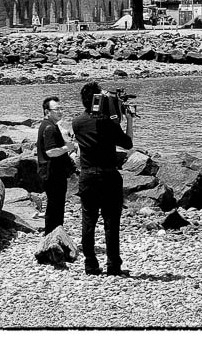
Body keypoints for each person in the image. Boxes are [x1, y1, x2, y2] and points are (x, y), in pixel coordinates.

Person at [70, 82, 133, 276]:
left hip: (87, 176)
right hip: (108, 176)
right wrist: (128, 119)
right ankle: (113, 266)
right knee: (111, 222)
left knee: (88, 221)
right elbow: (127, 144)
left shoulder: (77, 122)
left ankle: (90, 264)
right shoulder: (109, 123)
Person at [36, 96, 78, 234]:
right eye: (56, 109)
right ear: (47, 112)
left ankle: (55, 236)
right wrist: (67, 148)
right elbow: (50, 152)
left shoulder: (49, 125)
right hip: (52, 173)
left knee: (56, 206)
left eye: (61, 109)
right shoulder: (49, 127)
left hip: (52, 172)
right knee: (55, 207)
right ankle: (52, 237)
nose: (60, 112)